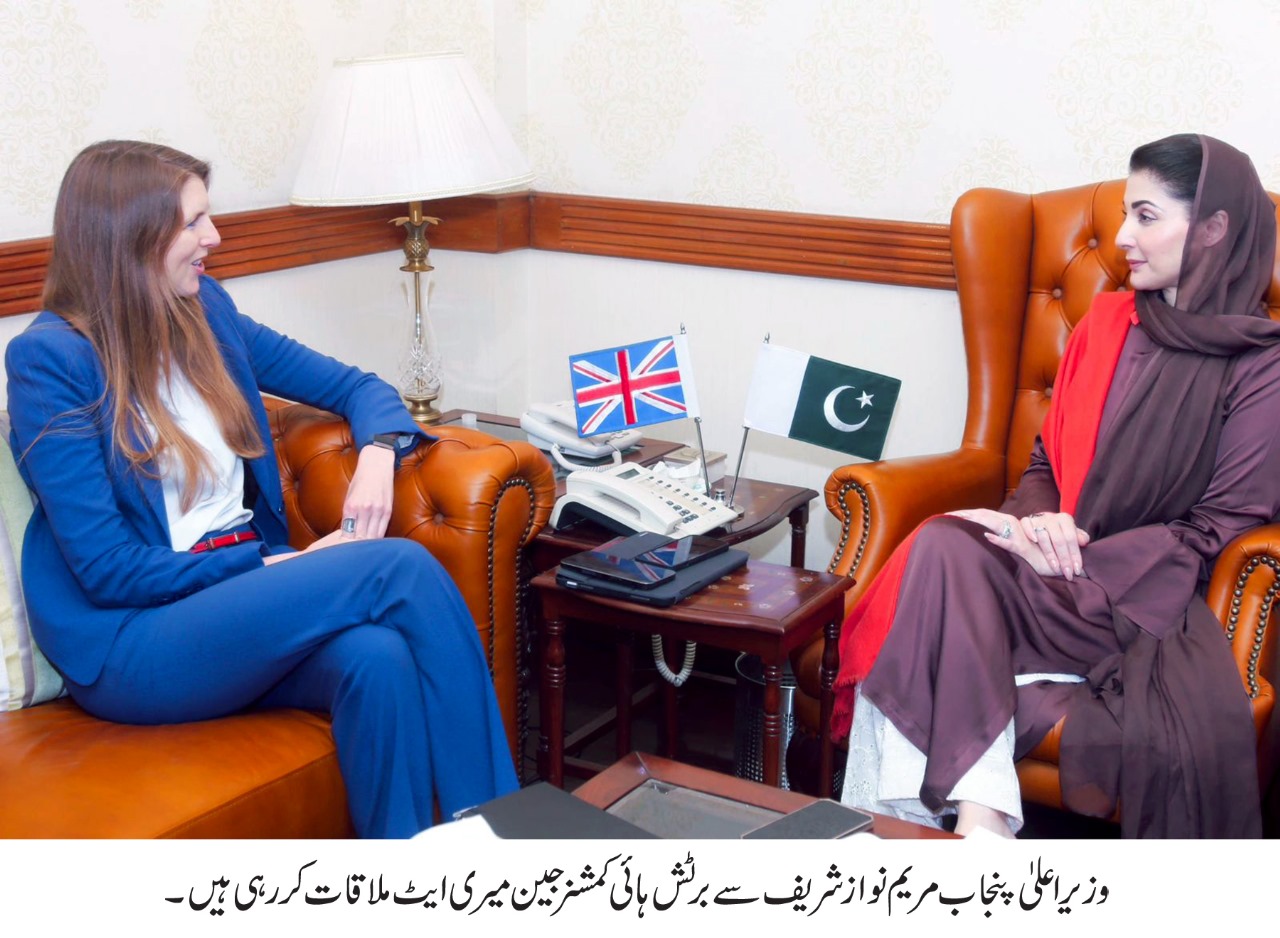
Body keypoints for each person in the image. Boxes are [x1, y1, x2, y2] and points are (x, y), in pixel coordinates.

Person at [5, 140, 518, 838]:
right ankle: (501, 840)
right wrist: (270, 565)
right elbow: (107, 569)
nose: (213, 237)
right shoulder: (49, 360)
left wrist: (379, 453)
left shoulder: (206, 312)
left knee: (378, 659)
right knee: (397, 567)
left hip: (235, 602)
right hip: (135, 637)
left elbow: (357, 386)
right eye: (193, 222)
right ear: (131, 235)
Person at [831, 133, 1280, 839]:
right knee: (945, 541)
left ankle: (924, 828)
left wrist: (1079, 558)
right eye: (1125, 214)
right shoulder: (1107, 324)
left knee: (942, 563)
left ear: (1214, 228)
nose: (1124, 237)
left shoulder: (1262, 368)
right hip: (1048, 571)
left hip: (1144, 599)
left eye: (1146, 216)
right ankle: (979, 820)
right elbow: (1045, 464)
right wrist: (1038, 525)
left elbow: (1220, 527)